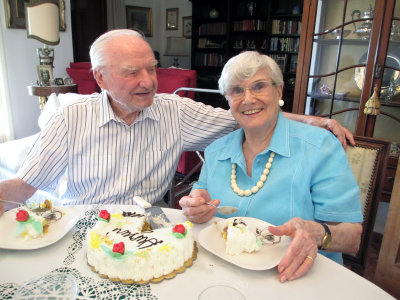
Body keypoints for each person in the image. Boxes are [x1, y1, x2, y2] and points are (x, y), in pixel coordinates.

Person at [0, 29, 354, 216]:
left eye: (152, 68)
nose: (148, 81)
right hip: (83, 230)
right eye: (132, 72)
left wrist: (312, 120)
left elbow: (244, 114)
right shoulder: (69, 118)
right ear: (102, 78)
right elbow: (25, 187)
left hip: (148, 232)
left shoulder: (175, 111)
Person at [179, 51, 363, 283]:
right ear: (228, 99)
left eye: (258, 86)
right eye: (237, 90)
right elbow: (200, 198)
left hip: (295, 276)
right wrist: (195, 207)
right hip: (222, 274)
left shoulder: (319, 148)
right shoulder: (216, 152)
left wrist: (318, 234)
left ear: (278, 91)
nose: (248, 99)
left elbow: (353, 237)